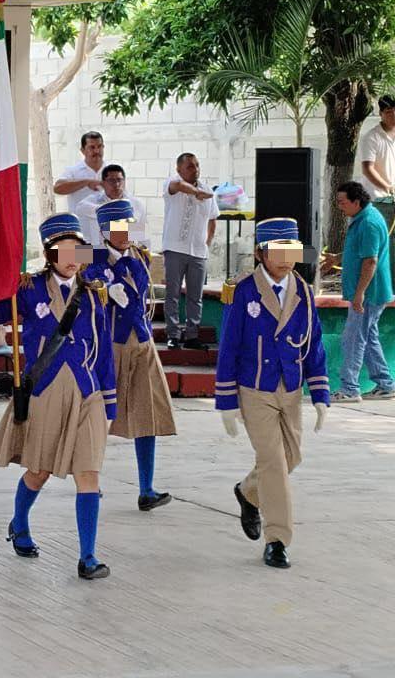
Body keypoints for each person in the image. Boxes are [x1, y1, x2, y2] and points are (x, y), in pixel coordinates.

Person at [0, 213, 114, 581]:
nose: (72, 257)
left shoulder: (93, 296)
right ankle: (20, 522)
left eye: (78, 249)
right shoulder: (28, 289)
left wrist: (110, 402)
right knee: (39, 471)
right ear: (49, 253)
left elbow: (105, 352)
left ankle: (88, 556)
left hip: (87, 393)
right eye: (64, 250)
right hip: (45, 391)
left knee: (88, 474)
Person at [217, 218, 330, 569]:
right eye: (277, 252)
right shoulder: (243, 292)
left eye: (290, 251)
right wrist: (226, 402)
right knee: (273, 462)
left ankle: (248, 492)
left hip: (290, 387)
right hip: (255, 388)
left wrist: (320, 394)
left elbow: (314, 345)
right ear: (260, 254)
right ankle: (277, 539)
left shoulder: (303, 292)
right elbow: (229, 348)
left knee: (291, 457)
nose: (285, 260)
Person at [84, 200, 176, 510]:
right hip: (110, 344)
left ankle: (146, 489)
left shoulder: (140, 256)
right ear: (103, 231)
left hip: (142, 340)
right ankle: (89, 482)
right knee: (97, 416)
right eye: (116, 228)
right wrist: (101, 288)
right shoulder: (91, 256)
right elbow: (58, 259)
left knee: (147, 413)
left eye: (127, 226)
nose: (124, 233)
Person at [320, 182, 395, 402]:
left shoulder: (369, 223)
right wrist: (337, 258)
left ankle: (349, 389)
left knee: (353, 339)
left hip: (369, 293)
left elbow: (370, 261)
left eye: (342, 202)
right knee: (368, 337)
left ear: (356, 201)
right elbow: (360, 250)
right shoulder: (362, 218)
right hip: (369, 291)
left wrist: (359, 294)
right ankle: (385, 384)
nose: (340, 206)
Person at [162, 152, 219, 350]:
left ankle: (192, 336)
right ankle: (173, 335)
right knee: (173, 293)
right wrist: (196, 193)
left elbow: (213, 219)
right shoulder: (172, 184)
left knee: (196, 296)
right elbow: (178, 186)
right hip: (174, 248)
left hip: (198, 252)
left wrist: (207, 243)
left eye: (197, 165)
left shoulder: (207, 190)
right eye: (190, 166)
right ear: (179, 169)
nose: (195, 169)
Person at [75, 164, 149, 247]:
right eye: (111, 180)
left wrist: (145, 252)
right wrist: (107, 210)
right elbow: (79, 208)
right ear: (103, 183)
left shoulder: (136, 204)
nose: (116, 184)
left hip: (127, 250)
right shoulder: (93, 200)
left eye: (119, 180)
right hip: (99, 249)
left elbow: (143, 235)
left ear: (124, 181)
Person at [54, 131, 107, 213]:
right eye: (92, 147)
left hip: (106, 220)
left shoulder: (112, 172)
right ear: (83, 150)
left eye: (99, 146)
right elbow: (57, 188)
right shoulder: (73, 171)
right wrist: (86, 182)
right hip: (80, 221)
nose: (97, 151)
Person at [358, 95, 395, 199]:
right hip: (376, 197)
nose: (393, 115)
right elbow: (367, 169)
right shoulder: (371, 137)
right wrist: (387, 188)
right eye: (389, 111)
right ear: (380, 113)